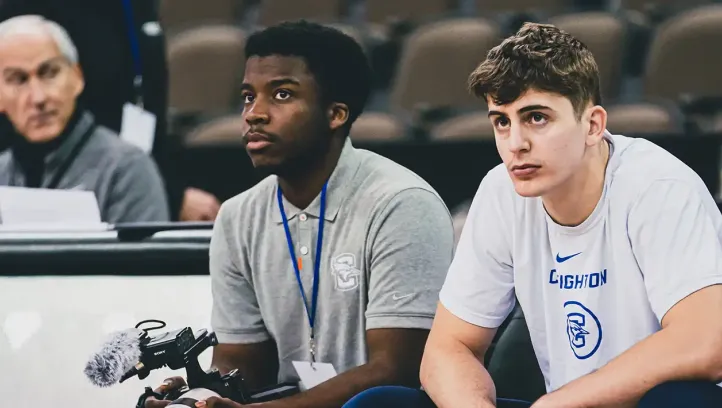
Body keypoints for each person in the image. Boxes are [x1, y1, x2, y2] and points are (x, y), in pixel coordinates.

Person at [345, 22, 722, 408]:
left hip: (633, 403)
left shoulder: (657, 185)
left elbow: (704, 343)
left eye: (536, 118)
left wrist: (554, 403)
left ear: (593, 125)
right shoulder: (499, 191)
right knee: (378, 403)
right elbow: (449, 346)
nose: (515, 144)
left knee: (683, 400)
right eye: (501, 121)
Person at [143, 20, 455, 408]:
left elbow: (397, 370)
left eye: (282, 94)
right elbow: (242, 364)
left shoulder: (402, 203)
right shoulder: (237, 217)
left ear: (336, 113)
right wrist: (200, 397)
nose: (254, 114)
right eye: (246, 97)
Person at [0, 0, 222, 222]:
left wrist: (166, 188)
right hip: (59, 157)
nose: (37, 96)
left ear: (77, 77)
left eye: (49, 73)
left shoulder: (127, 168)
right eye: (18, 80)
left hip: (119, 169)